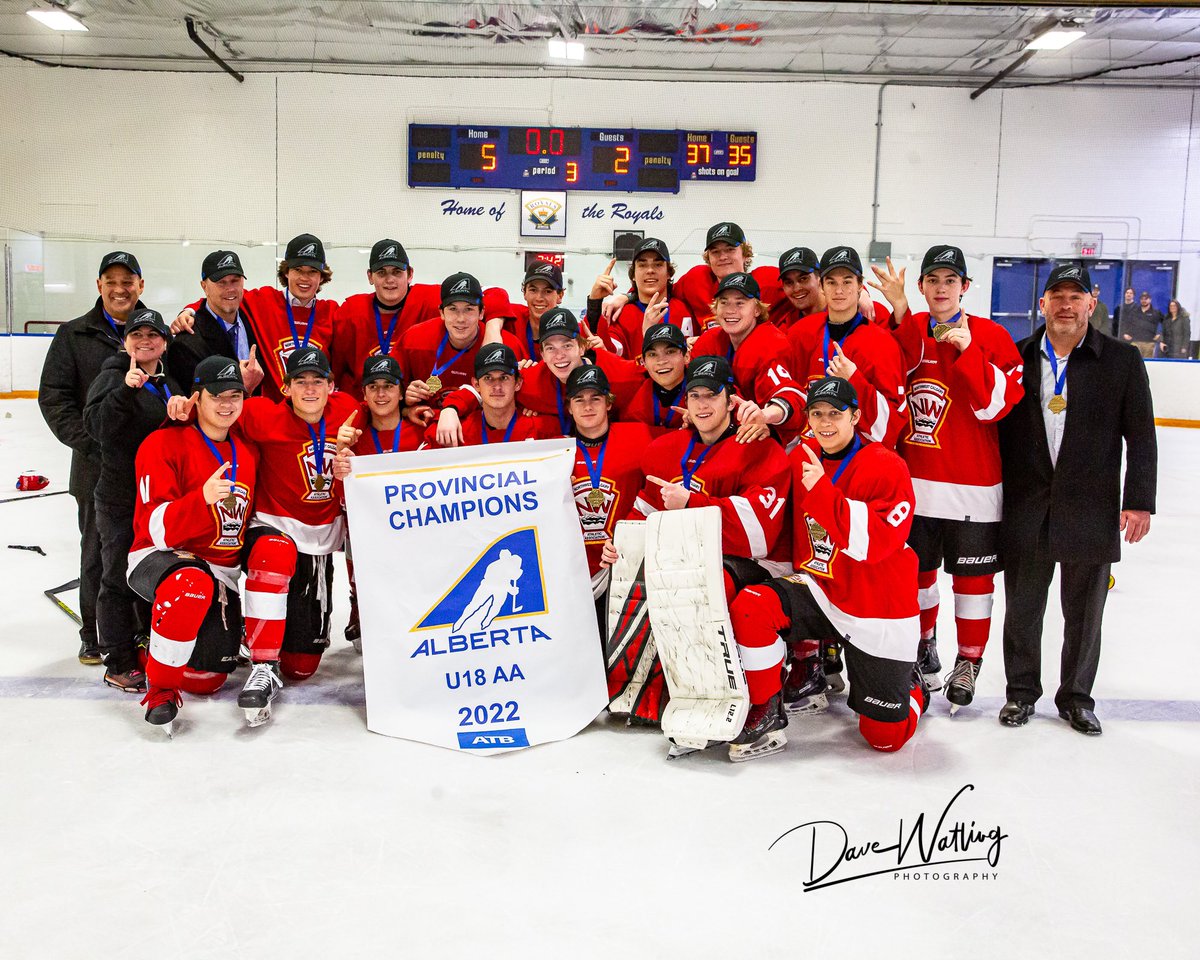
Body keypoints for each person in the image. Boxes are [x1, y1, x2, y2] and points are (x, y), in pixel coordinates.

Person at [997, 263, 1157, 736]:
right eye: (1057, 295)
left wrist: (1139, 500)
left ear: (1091, 303)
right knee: (1023, 609)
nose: (1066, 305)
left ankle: (1076, 698)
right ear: (1042, 304)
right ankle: (1020, 694)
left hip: (1091, 506)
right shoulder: (1017, 357)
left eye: (1075, 296)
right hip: (1028, 505)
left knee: (1084, 615)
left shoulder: (1122, 361)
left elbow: (1142, 437)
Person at [728, 376, 927, 755]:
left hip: (876, 605)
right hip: (820, 588)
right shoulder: (800, 457)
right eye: (816, 414)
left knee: (885, 740)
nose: (824, 423)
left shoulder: (888, 466)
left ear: (855, 417)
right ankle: (766, 709)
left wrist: (822, 491)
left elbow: (875, 545)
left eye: (835, 414)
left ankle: (912, 688)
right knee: (752, 605)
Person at [869, 246, 1023, 710]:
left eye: (950, 281)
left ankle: (969, 661)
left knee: (973, 584)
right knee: (917, 577)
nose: (941, 288)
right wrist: (897, 310)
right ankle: (924, 643)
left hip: (975, 489)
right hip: (915, 489)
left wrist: (967, 349)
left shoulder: (993, 336)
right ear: (921, 287)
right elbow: (891, 372)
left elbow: (994, 406)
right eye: (932, 280)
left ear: (965, 287)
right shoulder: (911, 327)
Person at [631, 355, 791, 744]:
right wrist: (622, 548)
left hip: (760, 565)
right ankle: (690, 694)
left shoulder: (758, 446)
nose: (702, 405)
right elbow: (646, 517)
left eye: (712, 396)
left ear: (731, 400)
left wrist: (692, 504)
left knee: (708, 586)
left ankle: (766, 702)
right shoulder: (666, 450)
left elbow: (757, 534)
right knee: (655, 580)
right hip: (699, 560)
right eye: (695, 395)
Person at [129, 357, 288, 736]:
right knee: (191, 585)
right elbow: (156, 529)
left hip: (221, 570)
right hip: (160, 558)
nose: (227, 404)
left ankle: (265, 667)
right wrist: (200, 498)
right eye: (216, 395)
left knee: (207, 677)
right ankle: (160, 688)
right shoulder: (162, 443)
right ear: (196, 397)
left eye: (235, 395)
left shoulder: (246, 449)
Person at [208, 347, 358, 724]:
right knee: (274, 553)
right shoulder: (260, 414)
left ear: (331, 386)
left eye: (318, 381)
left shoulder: (350, 410)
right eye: (300, 382)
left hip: (321, 536)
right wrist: (181, 406)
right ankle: (263, 663)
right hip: (273, 525)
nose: (310, 389)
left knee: (303, 668)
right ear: (285, 388)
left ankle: (272, 641)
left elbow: (389, 413)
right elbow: (212, 418)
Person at [39, 251, 149, 664]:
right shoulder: (74, 334)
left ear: (141, 285)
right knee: (98, 552)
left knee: (144, 548)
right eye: (112, 281)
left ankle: (140, 629)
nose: (120, 289)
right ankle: (95, 633)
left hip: (148, 468)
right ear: (99, 285)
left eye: (129, 281)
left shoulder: (155, 331)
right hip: (96, 467)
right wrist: (93, 443)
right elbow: (54, 398)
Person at [82, 309, 182, 693]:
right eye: (136, 334)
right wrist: (125, 389)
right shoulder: (111, 376)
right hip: (120, 498)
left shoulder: (168, 381)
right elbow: (98, 428)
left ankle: (142, 638)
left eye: (153, 335)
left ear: (164, 342)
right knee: (116, 576)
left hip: (155, 499)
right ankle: (117, 659)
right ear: (125, 342)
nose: (145, 341)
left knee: (149, 573)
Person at [435, 307, 643, 443]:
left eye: (567, 345)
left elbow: (655, 377)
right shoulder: (531, 380)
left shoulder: (619, 374)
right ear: (541, 354)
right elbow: (487, 387)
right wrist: (450, 409)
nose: (559, 355)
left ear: (582, 347)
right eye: (550, 348)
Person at [174, 234, 338, 396]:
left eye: (313, 271)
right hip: (273, 413)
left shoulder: (332, 312)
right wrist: (189, 311)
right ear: (287, 271)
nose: (305, 278)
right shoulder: (263, 300)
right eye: (298, 269)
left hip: (313, 407)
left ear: (322, 275)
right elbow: (222, 299)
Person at [789, 245, 906, 449]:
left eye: (847, 281)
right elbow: (790, 395)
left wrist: (855, 382)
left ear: (861, 286)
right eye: (831, 282)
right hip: (808, 457)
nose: (839, 290)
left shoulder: (883, 343)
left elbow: (891, 428)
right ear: (822, 287)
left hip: (858, 461)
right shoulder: (800, 334)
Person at [564, 364, 652, 625]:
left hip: (626, 565)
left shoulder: (639, 435)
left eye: (596, 398)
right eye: (579, 400)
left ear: (609, 403)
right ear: (569, 407)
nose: (587, 406)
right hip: (575, 570)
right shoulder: (558, 452)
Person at [690, 272, 806, 443]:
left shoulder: (770, 344)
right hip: (725, 430)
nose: (730, 310)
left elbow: (791, 397)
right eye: (724, 302)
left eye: (740, 303)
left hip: (771, 435)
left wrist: (765, 415)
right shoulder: (709, 341)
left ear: (757, 309)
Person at [399, 272, 524, 427]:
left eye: (469, 309)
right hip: (432, 428)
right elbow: (384, 392)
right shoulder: (414, 339)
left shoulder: (507, 346)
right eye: (452, 309)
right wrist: (405, 404)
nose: (461, 319)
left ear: (482, 312)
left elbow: (524, 397)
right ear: (441, 312)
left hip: (486, 432)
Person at [330, 239, 441, 397]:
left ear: (410, 274)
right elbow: (337, 371)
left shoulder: (432, 301)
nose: (390, 280)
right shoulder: (351, 312)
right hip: (366, 406)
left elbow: (482, 298)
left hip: (415, 406)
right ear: (370, 276)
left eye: (397, 272)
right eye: (381, 272)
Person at [167, 250, 263, 394]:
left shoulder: (254, 317)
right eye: (221, 282)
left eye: (235, 280)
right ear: (204, 286)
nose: (230, 289)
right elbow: (195, 404)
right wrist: (244, 388)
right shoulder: (186, 344)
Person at [423, 344, 542, 447]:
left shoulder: (542, 428)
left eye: (504, 377)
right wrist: (449, 409)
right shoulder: (457, 430)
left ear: (517, 383)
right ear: (476, 384)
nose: (497, 386)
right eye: (488, 378)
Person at [589, 239, 691, 357]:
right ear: (633, 275)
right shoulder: (621, 315)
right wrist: (594, 300)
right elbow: (610, 350)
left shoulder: (686, 306)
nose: (650, 270)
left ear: (669, 273)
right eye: (642, 265)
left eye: (658, 264)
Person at [619, 323, 689, 434]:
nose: (661, 361)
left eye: (670, 352)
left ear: (686, 356)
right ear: (643, 362)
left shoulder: (707, 391)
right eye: (652, 354)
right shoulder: (630, 394)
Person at [502, 261, 566, 361]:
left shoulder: (569, 328)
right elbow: (487, 295)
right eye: (533, 290)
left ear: (560, 295)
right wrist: (494, 326)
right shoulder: (513, 316)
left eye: (547, 291)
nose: (539, 298)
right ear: (524, 293)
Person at [772, 247, 825, 329]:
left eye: (803, 279)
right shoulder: (786, 327)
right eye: (789, 282)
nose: (796, 289)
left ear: (819, 278)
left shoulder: (843, 314)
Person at [1118, 289, 1163, 358]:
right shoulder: (1134, 312)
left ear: (1150, 300)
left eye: (1146, 299)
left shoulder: (1156, 313)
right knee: (1134, 364)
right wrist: (1125, 333)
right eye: (1142, 299)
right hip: (1135, 343)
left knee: (1147, 364)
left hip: (1149, 344)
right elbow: (1126, 323)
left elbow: (1166, 324)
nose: (1144, 300)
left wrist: (1160, 335)